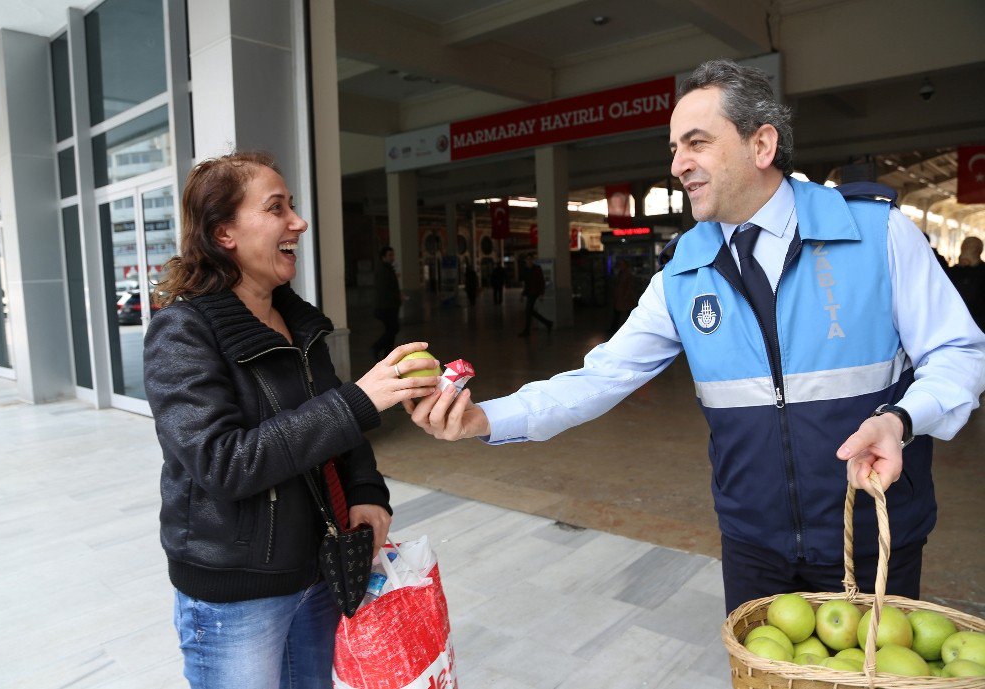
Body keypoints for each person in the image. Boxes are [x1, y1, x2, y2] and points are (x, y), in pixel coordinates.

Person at [406, 59, 985, 614]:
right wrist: (487, 419)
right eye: (675, 148)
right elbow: (604, 377)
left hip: (872, 529)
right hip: (753, 544)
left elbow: (959, 353)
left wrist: (900, 420)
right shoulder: (683, 271)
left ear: (762, 146)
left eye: (697, 142)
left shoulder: (876, 233)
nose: (679, 164)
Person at [144, 151, 440, 689]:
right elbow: (224, 464)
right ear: (224, 232)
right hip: (236, 594)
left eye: (293, 206)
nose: (298, 222)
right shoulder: (183, 331)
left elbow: (337, 430)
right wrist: (358, 400)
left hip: (319, 569)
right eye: (277, 208)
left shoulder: (297, 321)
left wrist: (368, 490)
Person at [949, 235, 985, 332]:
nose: (967, 250)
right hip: (956, 324)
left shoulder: (953, 272)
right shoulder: (953, 271)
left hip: (977, 325)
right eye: (966, 246)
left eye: (971, 247)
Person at [372, 245, 402, 360]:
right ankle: (377, 347)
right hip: (386, 307)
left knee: (392, 330)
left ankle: (387, 354)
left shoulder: (388, 268)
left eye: (393, 255)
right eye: (390, 255)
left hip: (390, 305)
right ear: (383, 257)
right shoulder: (383, 269)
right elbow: (385, 289)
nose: (392, 257)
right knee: (393, 329)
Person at [518, 252, 553, 336]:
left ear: (532, 260)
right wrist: (523, 294)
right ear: (525, 260)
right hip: (529, 292)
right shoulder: (525, 270)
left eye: (530, 259)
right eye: (527, 259)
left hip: (535, 292)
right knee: (530, 311)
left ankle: (527, 331)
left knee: (528, 311)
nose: (529, 261)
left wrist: (541, 293)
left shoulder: (537, 268)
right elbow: (526, 284)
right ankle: (548, 323)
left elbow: (541, 281)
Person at [608, 258, 638, 335]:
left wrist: (626, 296)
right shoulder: (620, 273)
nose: (620, 266)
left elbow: (629, 287)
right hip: (620, 297)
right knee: (618, 313)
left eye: (622, 264)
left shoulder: (628, 274)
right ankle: (615, 328)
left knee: (625, 313)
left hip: (625, 298)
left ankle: (630, 328)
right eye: (620, 264)